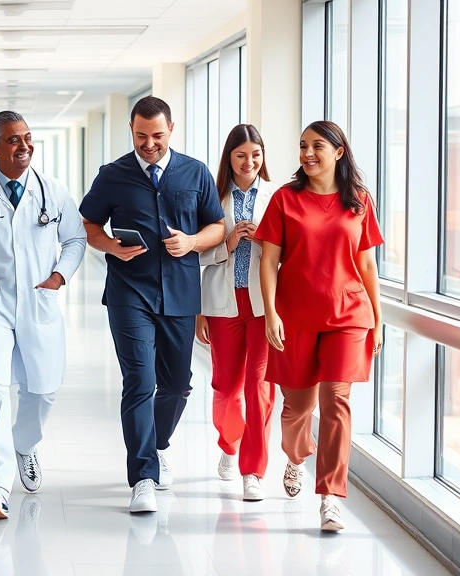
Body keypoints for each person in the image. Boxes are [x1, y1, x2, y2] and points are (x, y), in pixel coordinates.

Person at [79, 96, 225, 514]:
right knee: (140, 381)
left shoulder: (195, 172)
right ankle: (142, 475)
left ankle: (158, 444)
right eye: (141, 136)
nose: (149, 144)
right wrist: (110, 246)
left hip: (180, 292)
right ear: (131, 129)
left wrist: (193, 242)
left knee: (178, 383)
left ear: (171, 130)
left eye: (157, 136)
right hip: (129, 292)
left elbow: (217, 226)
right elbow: (88, 223)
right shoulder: (113, 175)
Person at [0, 111, 86, 520]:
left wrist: (59, 277)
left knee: (42, 391)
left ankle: (24, 444)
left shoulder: (53, 191)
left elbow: (75, 238)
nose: (24, 146)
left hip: (39, 300)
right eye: (12, 140)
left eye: (27, 137)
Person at [254, 120, 383, 532]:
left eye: (317, 147)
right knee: (296, 410)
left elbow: (366, 264)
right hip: (295, 317)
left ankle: (330, 497)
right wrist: (271, 312)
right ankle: (295, 457)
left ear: (339, 152)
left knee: (336, 402)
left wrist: (378, 320)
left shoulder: (359, 201)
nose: (308, 153)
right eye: (302, 146)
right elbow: (268, 260)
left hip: (347, 316)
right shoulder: (285, 200)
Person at [196, 124, 279, 502]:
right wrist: (227, 243)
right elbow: (195, 253)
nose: (249, 162)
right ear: (229, 158)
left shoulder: (277, 198)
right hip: (222, 303)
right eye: (241, 155)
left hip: (264, 305)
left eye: (256, 155)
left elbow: (291, 252)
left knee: (259, 388)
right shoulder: (212, 197)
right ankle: (229, 445)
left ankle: (254, 471)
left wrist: (267, 241)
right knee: (226, 387)